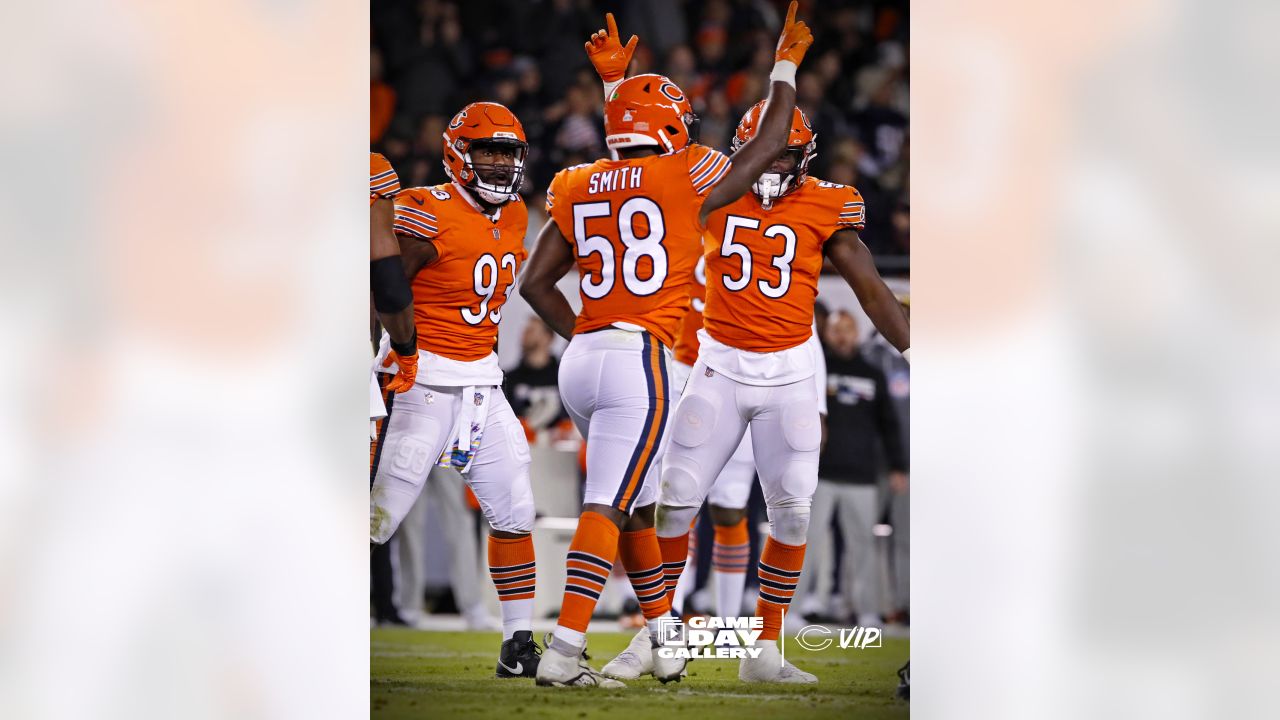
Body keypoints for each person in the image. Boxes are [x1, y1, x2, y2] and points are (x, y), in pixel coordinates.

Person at [518, 5, 813, 689]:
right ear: (675, 127)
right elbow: (768, 145)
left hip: (582, 356)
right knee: (610, 505)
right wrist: (785, 66)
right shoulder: (688, 173)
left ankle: (664, 637)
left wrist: (617, 86)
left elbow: (535, 283)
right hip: (640, 360)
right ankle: (563, 651)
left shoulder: (576, 180)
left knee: (640, 501)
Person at [648, 94, 911, 684]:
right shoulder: (712, 189)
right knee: (678, 498)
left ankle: (764, 650)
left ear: (806, 157)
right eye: (766, 153)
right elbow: (650, 159)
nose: (772, 166)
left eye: (786, 154)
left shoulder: (826, 204)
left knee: (792, 513)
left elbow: (870, 289)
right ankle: (658, 633)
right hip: (717, 362)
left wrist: (918, 351)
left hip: (790, 370)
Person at [368, 102, 541, 679]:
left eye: (507, 152)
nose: (498, 163)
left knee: (515, 507)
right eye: (487, 151)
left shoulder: (516, 215)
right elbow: (381, 288)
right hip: (419, 379)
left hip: (481, 383)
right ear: (458, 154)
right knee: (378, 517)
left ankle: (518, 643)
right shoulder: (426, 206)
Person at [503, 319, 567, 432]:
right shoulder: (509, 379)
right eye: (525, 330)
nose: (524, 335)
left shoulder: (564, 378)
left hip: (558, 447)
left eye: (531, 331)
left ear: (548, 338)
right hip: (524, 445)